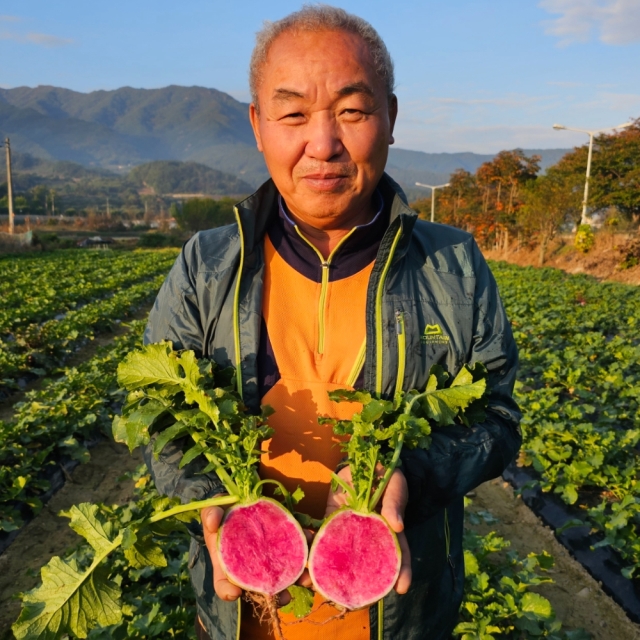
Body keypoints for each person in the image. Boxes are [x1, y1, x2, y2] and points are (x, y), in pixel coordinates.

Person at [143, 6, 521, 640]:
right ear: (258, 127)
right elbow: (161, 417)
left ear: (391, 119)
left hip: (404, 615)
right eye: (293, 115)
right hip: (242, 615)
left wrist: (411, 473)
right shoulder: (205, 267)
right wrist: (211, 497)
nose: (323, 144)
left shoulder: (454, 266)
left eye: (352, 111)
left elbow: (499, 419)